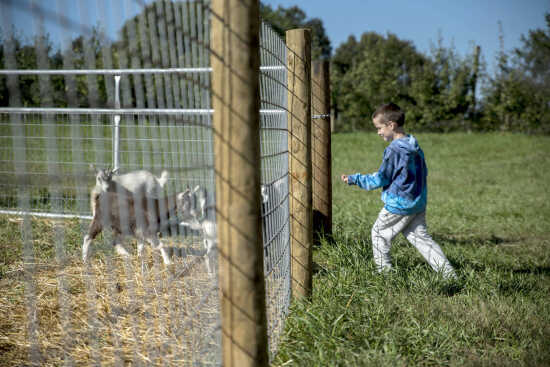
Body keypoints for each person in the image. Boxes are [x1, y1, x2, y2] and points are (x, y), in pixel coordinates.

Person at [341, 102, 456, 278]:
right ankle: (449, 275)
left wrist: (355, 179)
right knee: (421, 238)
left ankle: (385, 276)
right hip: (417, 202)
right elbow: (424, 172)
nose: (378, 132)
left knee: (379, 234)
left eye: (379, 128)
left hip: (399, 204)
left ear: (391, 125)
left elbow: (381, 178)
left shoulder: (394, 150)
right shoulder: (414, 145)